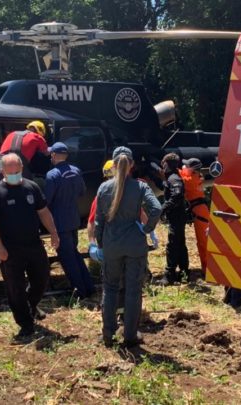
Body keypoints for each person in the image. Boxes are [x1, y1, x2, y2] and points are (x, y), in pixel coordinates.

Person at [0, 153, 60, 341]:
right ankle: (25, 324)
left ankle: (31, 305)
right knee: (15, 287)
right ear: (3, 171)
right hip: (10, 249)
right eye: (10, 172)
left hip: (34, 244)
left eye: (17, 171)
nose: (14, 175)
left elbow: (43, 212)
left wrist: (53, 232)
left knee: (41, 280)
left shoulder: (31, 187)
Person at [94, 147, 161, 347]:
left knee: (110, 288)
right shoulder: (140, 187)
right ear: (132, 164)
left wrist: (101, 244)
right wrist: (146, 229)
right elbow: (156, 208)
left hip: (112, 245)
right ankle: (130, 335)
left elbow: (99, 222)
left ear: (113, 165)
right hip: (135, 244)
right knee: (133, 290)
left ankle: (108, 334)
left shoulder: (103, 188)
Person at [45, 142, 95, 299]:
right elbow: (82, 191)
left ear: (53, 155)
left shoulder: (52, 175)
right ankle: (89, 286)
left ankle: (80, 291)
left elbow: (47, 200)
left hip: (59, 222)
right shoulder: (76, 171)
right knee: (74, 253)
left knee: (67, 257)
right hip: (74, 218)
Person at [159, 153, 188, 285]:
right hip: (177, 216)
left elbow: (177, 195)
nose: (162, 166)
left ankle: (170, 275)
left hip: (176, 216)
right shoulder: (172, 177)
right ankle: (184, 273)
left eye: (163, 163)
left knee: (173, 245)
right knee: (180, 244)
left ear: (167, 164)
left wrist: (163, 208)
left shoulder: (174, 179)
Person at [180, 158, 209, 273]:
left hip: (199, 210)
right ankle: (206, 267)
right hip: (200, 209)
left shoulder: (190, 180)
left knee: (203, 242)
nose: (184, 167)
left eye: (187, 166)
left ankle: (207, 269)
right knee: (203, 241)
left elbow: (181, 174)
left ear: (192, 169)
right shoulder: (197, 176)